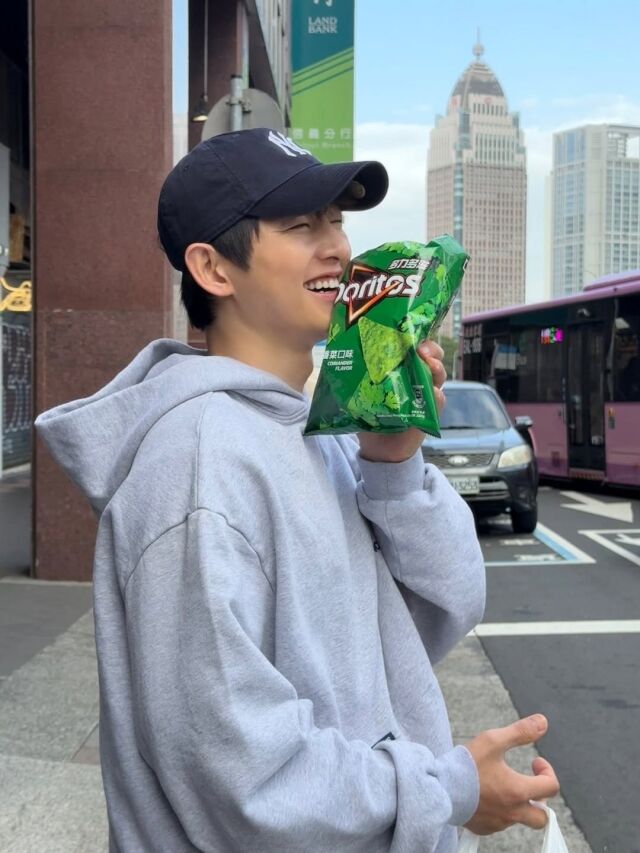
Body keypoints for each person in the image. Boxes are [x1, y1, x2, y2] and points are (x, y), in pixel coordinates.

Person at [35, 128, 559, 852]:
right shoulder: (199, 463)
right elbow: (241, 776)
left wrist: (393, 463)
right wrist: (447, 790)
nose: (338, 248)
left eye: (337, 222)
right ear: (213, 268)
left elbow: (434, 619)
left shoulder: (323, 432)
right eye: (301, 226)